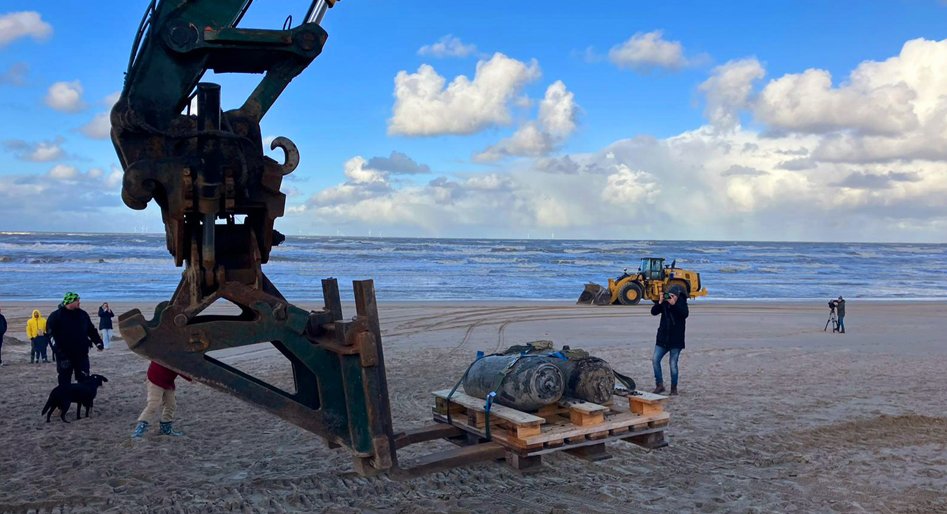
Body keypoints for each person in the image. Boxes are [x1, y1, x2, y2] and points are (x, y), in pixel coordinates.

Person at [46, 292, 104, 386]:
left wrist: (98, 342)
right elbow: (50, 335)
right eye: (77, 300)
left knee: (84, 379)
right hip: (64, 355)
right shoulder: (56, 316)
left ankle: (82, 400)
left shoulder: (83, 314)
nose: (79, 302)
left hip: (81, 354)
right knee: (64, 380)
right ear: (70, 301)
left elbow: (91, 330)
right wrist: (59, 353)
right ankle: (64, 400)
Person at [131, 361, 192, 439]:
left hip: (168, 381)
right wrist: (190, 378)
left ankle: (165, 429)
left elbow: (181, 366)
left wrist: (191, 377)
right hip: (155, 379)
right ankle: (138, 431)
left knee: (171, 405)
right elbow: (177, 366)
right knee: (153, 404)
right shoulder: (168, 351)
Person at [650, 284, 689, 396]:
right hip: (662, 339)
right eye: (669, 295)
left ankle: (674, 388)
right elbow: (653, 312)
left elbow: (685, 314)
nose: (670, 298)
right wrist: (660, 302)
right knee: (655, 360)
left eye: (673, 296)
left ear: (677, 296)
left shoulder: (682, 303)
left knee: (673, 364)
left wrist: (674, 305)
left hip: (676, 340)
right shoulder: (665, 303)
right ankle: (659, 385)